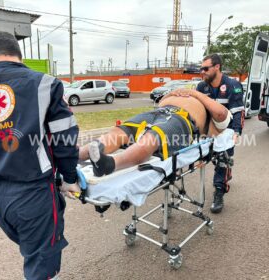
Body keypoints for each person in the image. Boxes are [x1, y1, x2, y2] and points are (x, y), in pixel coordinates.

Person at [0, 31, 81, 280]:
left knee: (30, 249)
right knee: (42, 264)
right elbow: (65, 137)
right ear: (19, 55)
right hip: (33, 193)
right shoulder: (44, 83)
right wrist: (70, 177)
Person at [79, 88, 232, 178]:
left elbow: (220, 113)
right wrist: (174, 93)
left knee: (153, 136)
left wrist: (194, 93)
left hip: (182, 119)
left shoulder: (216, 115)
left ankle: (109, 165)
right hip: (158, 111)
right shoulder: (192, 96)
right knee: (121, 130)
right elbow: (161, 101)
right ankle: (82, 153)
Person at [196, 53, 244, 214]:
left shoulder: (232, 85)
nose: (202, 71)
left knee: (222, 159)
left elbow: (238, 111)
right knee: (211, 157)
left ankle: (219, 192)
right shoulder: (201, 87)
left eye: (206, 68)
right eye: (201, 68)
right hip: (209, 129)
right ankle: (226, 171)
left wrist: (237, 131)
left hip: (227, 129)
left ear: (217, 67)